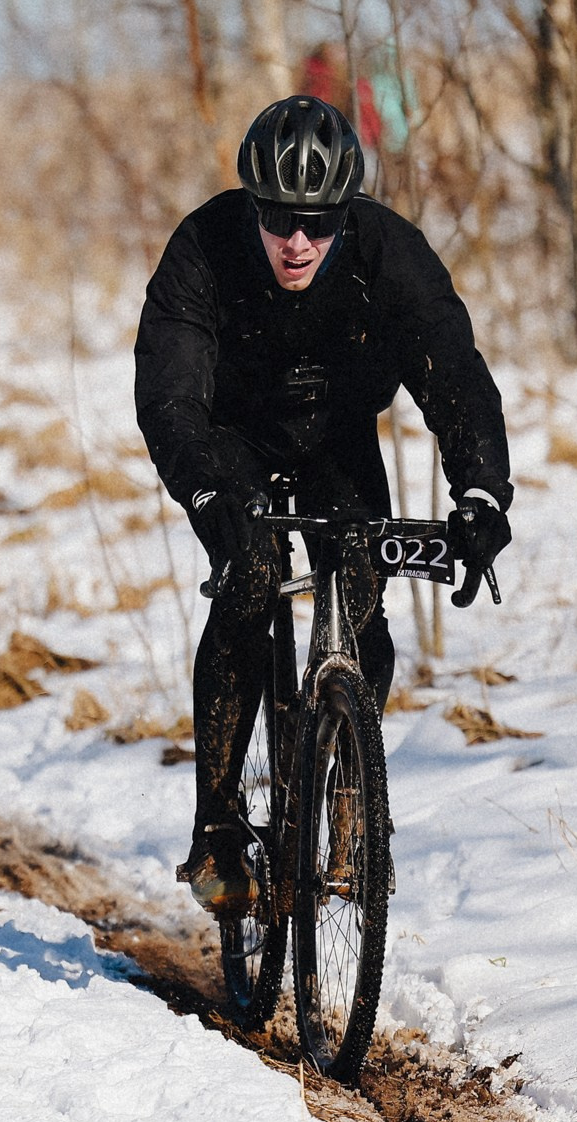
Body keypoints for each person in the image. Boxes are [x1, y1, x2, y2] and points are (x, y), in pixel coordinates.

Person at [134, 95, 515, 914]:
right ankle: (220, 823)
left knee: (359, 584)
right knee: (250, 576)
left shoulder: (390, 255)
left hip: (337, 440)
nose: (297, 241)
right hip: (231, 440)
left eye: (318, 222)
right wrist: (206, 493)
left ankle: (344, 781)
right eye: (277, 219)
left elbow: (454, 374)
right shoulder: (202, 248)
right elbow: (168, 396)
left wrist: (480, 493)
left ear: (348, 212)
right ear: (253, 207)